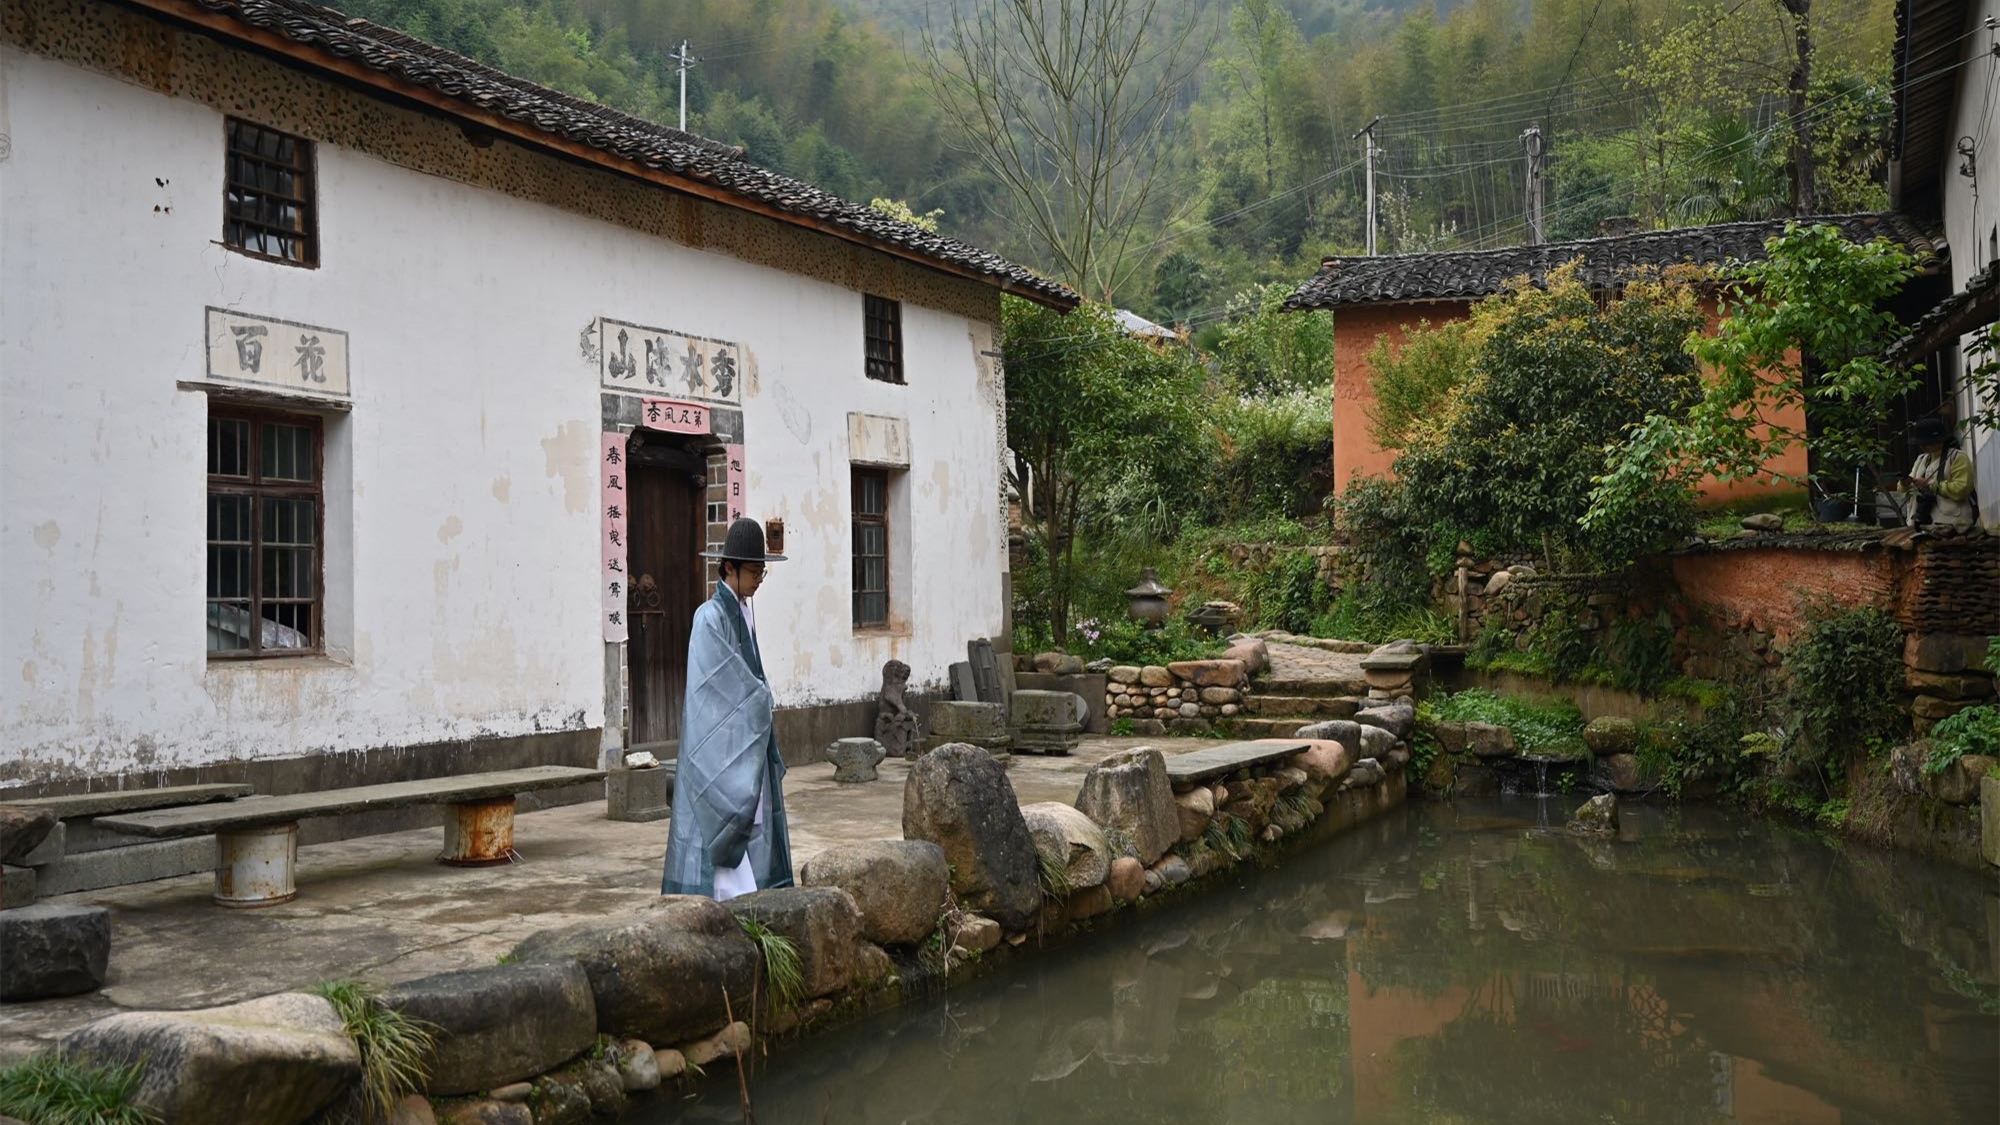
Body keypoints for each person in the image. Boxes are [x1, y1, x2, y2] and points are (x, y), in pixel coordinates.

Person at [661, 517, 794, 900]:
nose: (758, 580)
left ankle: (746, 897)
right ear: (729, 568)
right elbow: (713, 686)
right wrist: (758, 700)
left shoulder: (744, 611)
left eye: (762, 572)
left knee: (748, 820)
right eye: (753, 572)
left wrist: (756, 703)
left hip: (744, 742)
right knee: (717, 817)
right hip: (716, 746)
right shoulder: (709, 617)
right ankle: (714, 902)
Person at [1896, 417, 1976, 528]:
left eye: (1927, 442)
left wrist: (1931, 484)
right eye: (1921, 443)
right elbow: (1902, 489)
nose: (1923, 446)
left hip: (1952, 523)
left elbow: (1961, 489)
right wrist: (1904, 483)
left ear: (1940, 440)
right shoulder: (1921, 460)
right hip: (1920, 522)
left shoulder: (1957, 457)